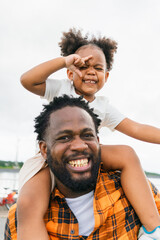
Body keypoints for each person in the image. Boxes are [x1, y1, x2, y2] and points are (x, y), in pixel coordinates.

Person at [18, 28, 160, 240]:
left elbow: (136, 128)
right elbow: (28, 81)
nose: (91, 72)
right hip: (51, 160)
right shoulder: (60, 88)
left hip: (89, 154)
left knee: (127, 154)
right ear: (70, 72)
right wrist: (64, 61)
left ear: (106, 76)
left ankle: (153, 229)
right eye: (83, 66)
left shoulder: (104, 107)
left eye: (98, 68)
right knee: (29, 200)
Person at [5, 95, 160, 239]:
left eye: (87, 135)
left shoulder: (136, 190)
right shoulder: (20, 219)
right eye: (64, 137)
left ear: (98, 141)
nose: (79, 146)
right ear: (44, 150)